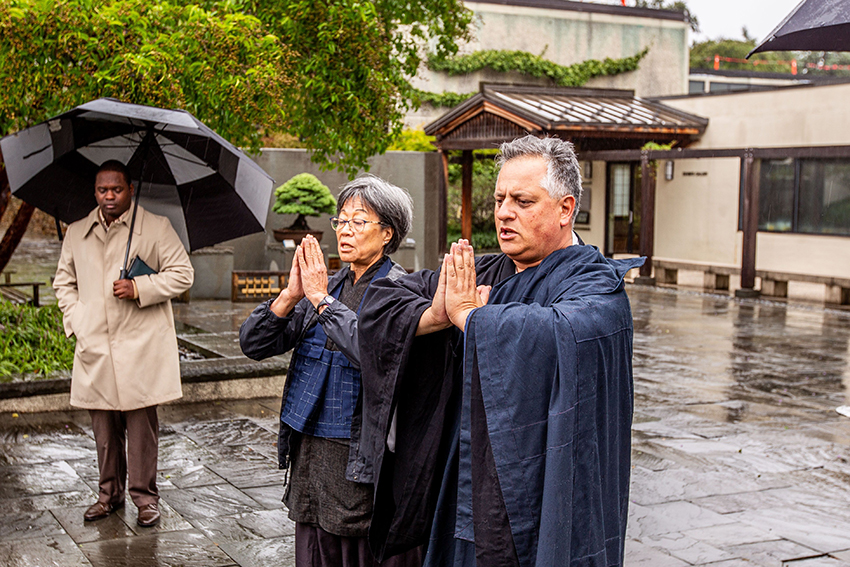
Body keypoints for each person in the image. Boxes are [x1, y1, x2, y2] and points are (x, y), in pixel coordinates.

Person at [358, 135, 645, 566]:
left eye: (523, 201)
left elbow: (561, 331)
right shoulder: (484, 270)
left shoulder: (593, 284)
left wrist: (473, 318)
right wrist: (437, 316)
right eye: (499, 199)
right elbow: (382, 301)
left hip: (537, 489)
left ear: (566, 209)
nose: (504, 212)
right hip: (465, 480)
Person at [240, 174, 422, 567]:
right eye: (341, 221)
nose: (346, 231)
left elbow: (375, 350)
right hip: (309, 452)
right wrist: (291, 295)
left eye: (360, 221)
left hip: (359, 458)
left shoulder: (401, 289)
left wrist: (320, 299)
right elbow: (254, 345)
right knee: (313, 548)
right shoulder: (328, 285)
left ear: (387, 233)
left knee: (357, 550)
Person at [54, 160, 194, 527]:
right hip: (95, 345)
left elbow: (183, 273)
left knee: (141, 430)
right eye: (103, 190)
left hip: (140, 346)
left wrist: (140, 287)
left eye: (116, 189)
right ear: (95, 192)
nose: (109, 196)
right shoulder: (77, 232)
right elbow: (63, 283)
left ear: (130, 189)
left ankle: (145, 498)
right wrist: (77, 320)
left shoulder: (156, 228)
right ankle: (108, 495)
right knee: (103, 430)